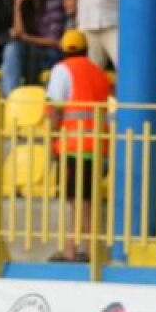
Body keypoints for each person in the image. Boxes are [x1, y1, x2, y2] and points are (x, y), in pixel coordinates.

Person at [46, 30, 111, 263]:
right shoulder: (99, 73)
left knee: (78, 200)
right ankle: (78, 248)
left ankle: (81, 250)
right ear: (86, 49)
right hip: (98, 145)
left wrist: (52, 141)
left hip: (73, 145)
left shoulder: (61, 70)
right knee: (86, 199)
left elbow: (56, 109)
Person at [2, 0, 65, 94]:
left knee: (25, 51)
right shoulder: (25, 2)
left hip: (51, 53)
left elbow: (55, 42)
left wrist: (26, 38)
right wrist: (17, 6)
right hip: (30, 49)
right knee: (12, 48)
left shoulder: (53, 2)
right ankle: (11, 98)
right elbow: (18, 33)